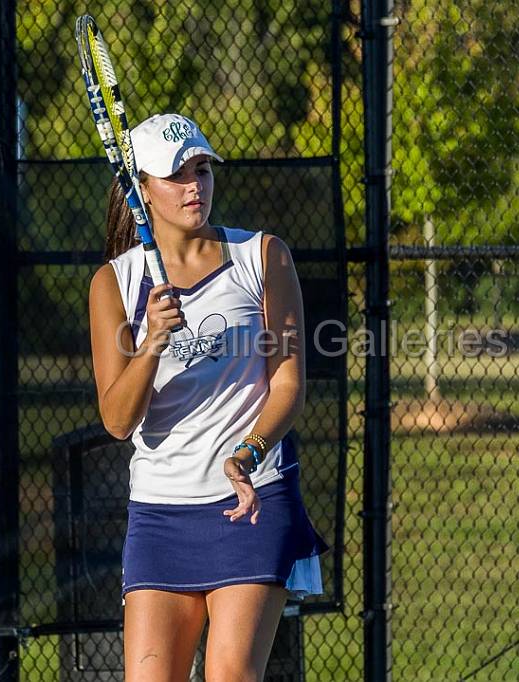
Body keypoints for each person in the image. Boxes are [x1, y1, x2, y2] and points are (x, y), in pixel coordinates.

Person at [88, 113, 328, 682]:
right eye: (176, 175)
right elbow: (118, 420)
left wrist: (248, 452)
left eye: (202, 169)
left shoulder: (264, 256)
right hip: (160, 514)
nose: (195, 186)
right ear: (140, 188)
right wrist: (150, 344)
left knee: (230, 675)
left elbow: (289, 383)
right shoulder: (111, 285)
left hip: (250, 503)